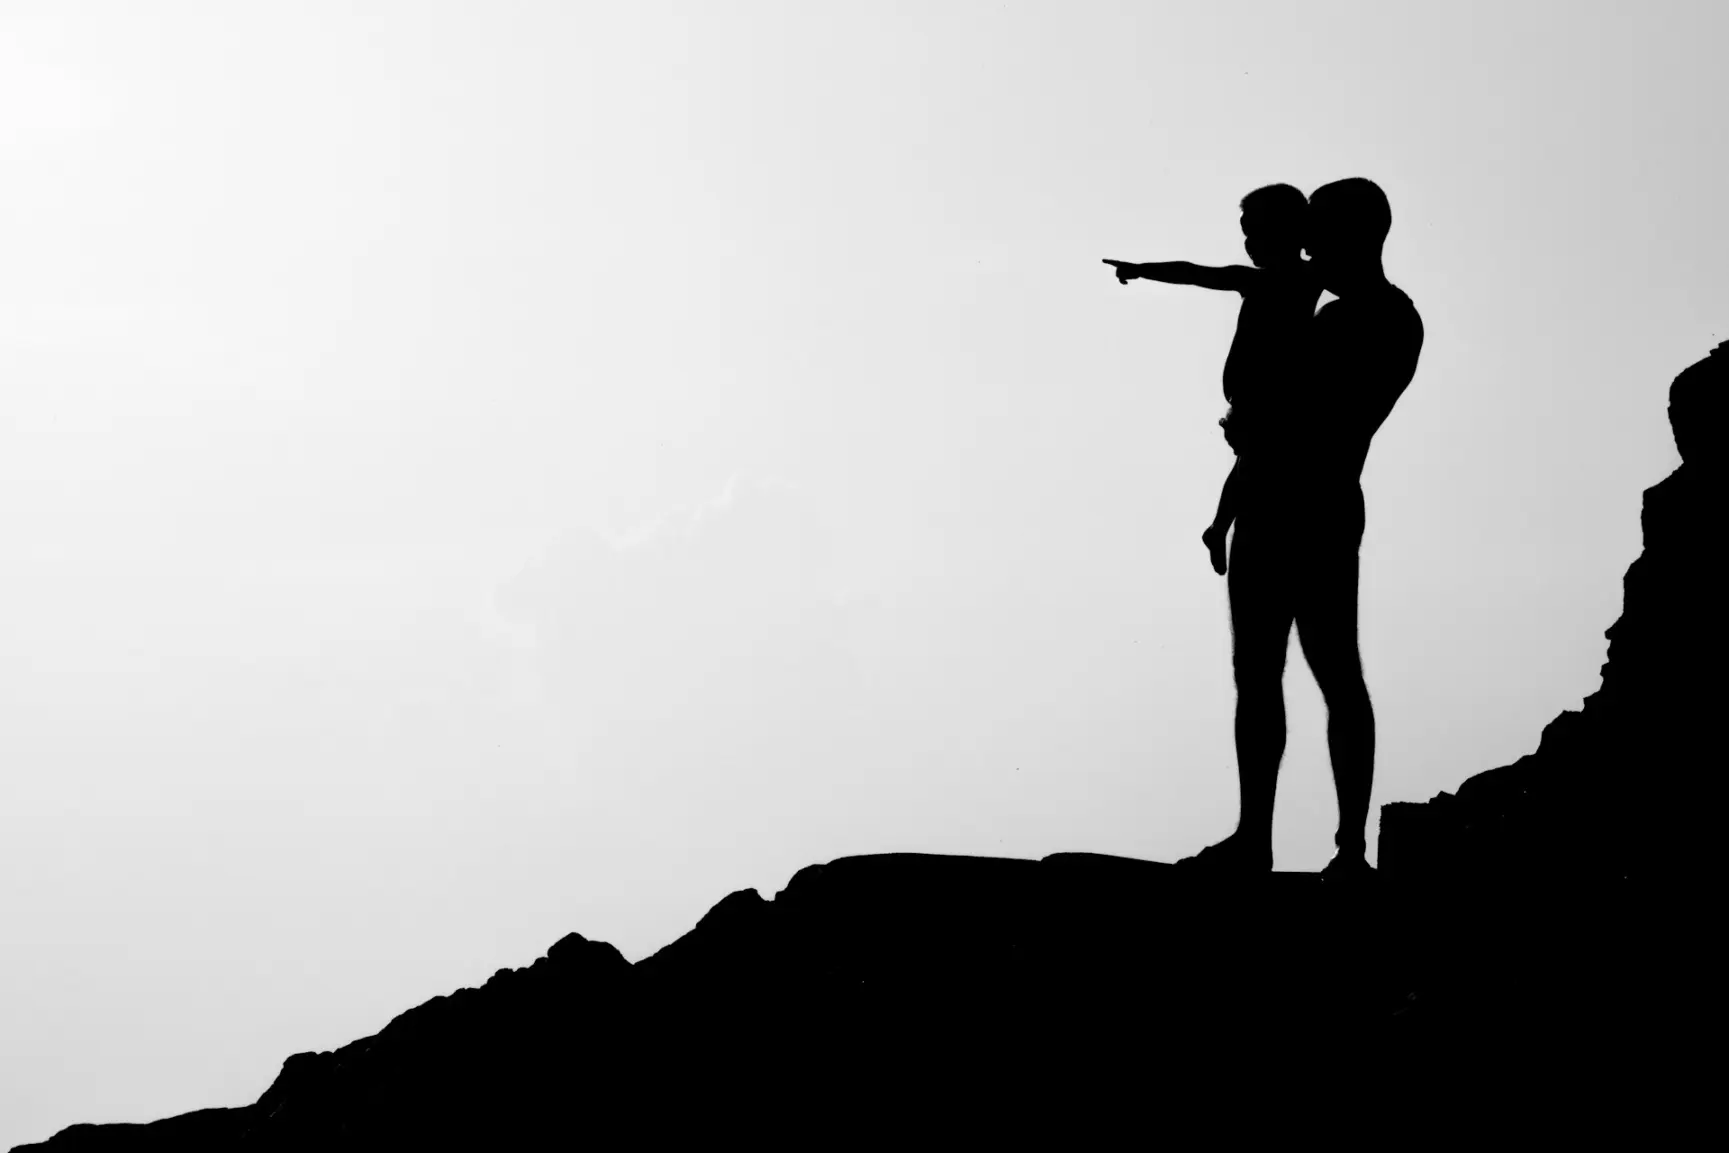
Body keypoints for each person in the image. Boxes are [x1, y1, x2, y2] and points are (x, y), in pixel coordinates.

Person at [1179, 177, 1424, 880]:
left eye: (1318, 232)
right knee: (1277, 675)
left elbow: (1290, 416)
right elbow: (1272, 419)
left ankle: (1336, 847)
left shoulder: (1363, 321)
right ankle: (1269, 840)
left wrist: (1254, 425)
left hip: (1304, 507)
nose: (1306, 247)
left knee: (1321, 674)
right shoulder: (1361, 318)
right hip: (1290, 502)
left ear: (1355, 236)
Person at [1104, 183, 1321, 574]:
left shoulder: (1302, 278)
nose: (1249, 244)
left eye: (1256, 233)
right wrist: (1141, 270)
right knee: (1249, 460)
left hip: (1274, 395)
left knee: (1251, 462)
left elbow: (1193, 273)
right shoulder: (1262, 280)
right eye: (1245, 235)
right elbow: (1192, 273)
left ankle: (1219, 528)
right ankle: (1219, 527)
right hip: (1252, 395)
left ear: (1287, 231)